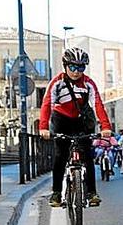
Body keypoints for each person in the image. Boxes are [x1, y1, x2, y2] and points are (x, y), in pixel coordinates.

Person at [39, 47, 113, 207]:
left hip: (82, 121)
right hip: (61, 120)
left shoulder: (88, 83)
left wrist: (105, 126)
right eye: (72, 67)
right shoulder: (57, 82)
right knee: (60, 156)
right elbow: (46, 105)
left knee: (87, 156)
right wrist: (43, 128)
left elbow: (98, 104)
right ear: (65, 66)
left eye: (80, 68)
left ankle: (92, 192)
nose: (76, 72)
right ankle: (57, 193)